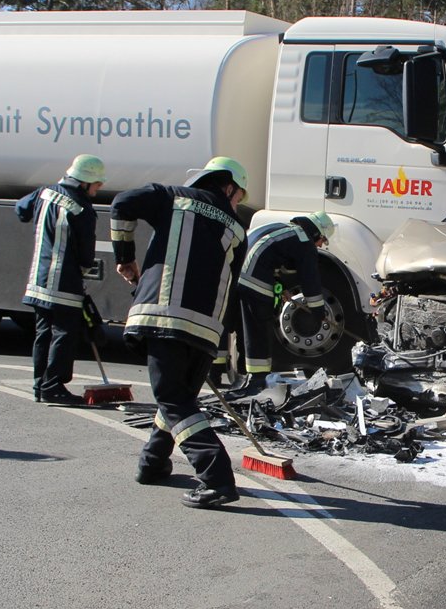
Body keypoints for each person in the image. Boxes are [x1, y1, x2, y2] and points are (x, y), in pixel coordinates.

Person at [110, 156, 249, 509]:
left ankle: (216, 478)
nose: (237, 203)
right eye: (239, 196)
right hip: (205, 331)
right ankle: (152, 463)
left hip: (164, 317)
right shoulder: (236, 227)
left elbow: (121, 203)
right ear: (227, 185)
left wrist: (125, 256)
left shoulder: (173, 197)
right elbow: (232, 283)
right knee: (177, 397)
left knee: (173, 399)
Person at [16, 154, 106, 405]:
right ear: (84, 182)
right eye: (97, 184)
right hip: (64, 282)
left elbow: (20, 210)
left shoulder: (43, 193)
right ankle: (54, 385)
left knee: (43, 332)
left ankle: (39, 384)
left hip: (38, 278)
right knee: (64, 334)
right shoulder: (82, 208)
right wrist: (84, 275)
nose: (98, 189)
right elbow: (87, 254)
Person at [224, 211, 336, 398]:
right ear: (317, 233)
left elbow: (269, 256)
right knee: (259, 329)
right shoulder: (304, 242)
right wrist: (318, 311)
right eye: (322, 240)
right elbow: (310, 280)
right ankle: (257, 380)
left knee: (245, 328)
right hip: (254, 280)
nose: (320, 245)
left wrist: (280, 285)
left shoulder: (283, 229)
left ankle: (240, 373)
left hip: (237, 276)